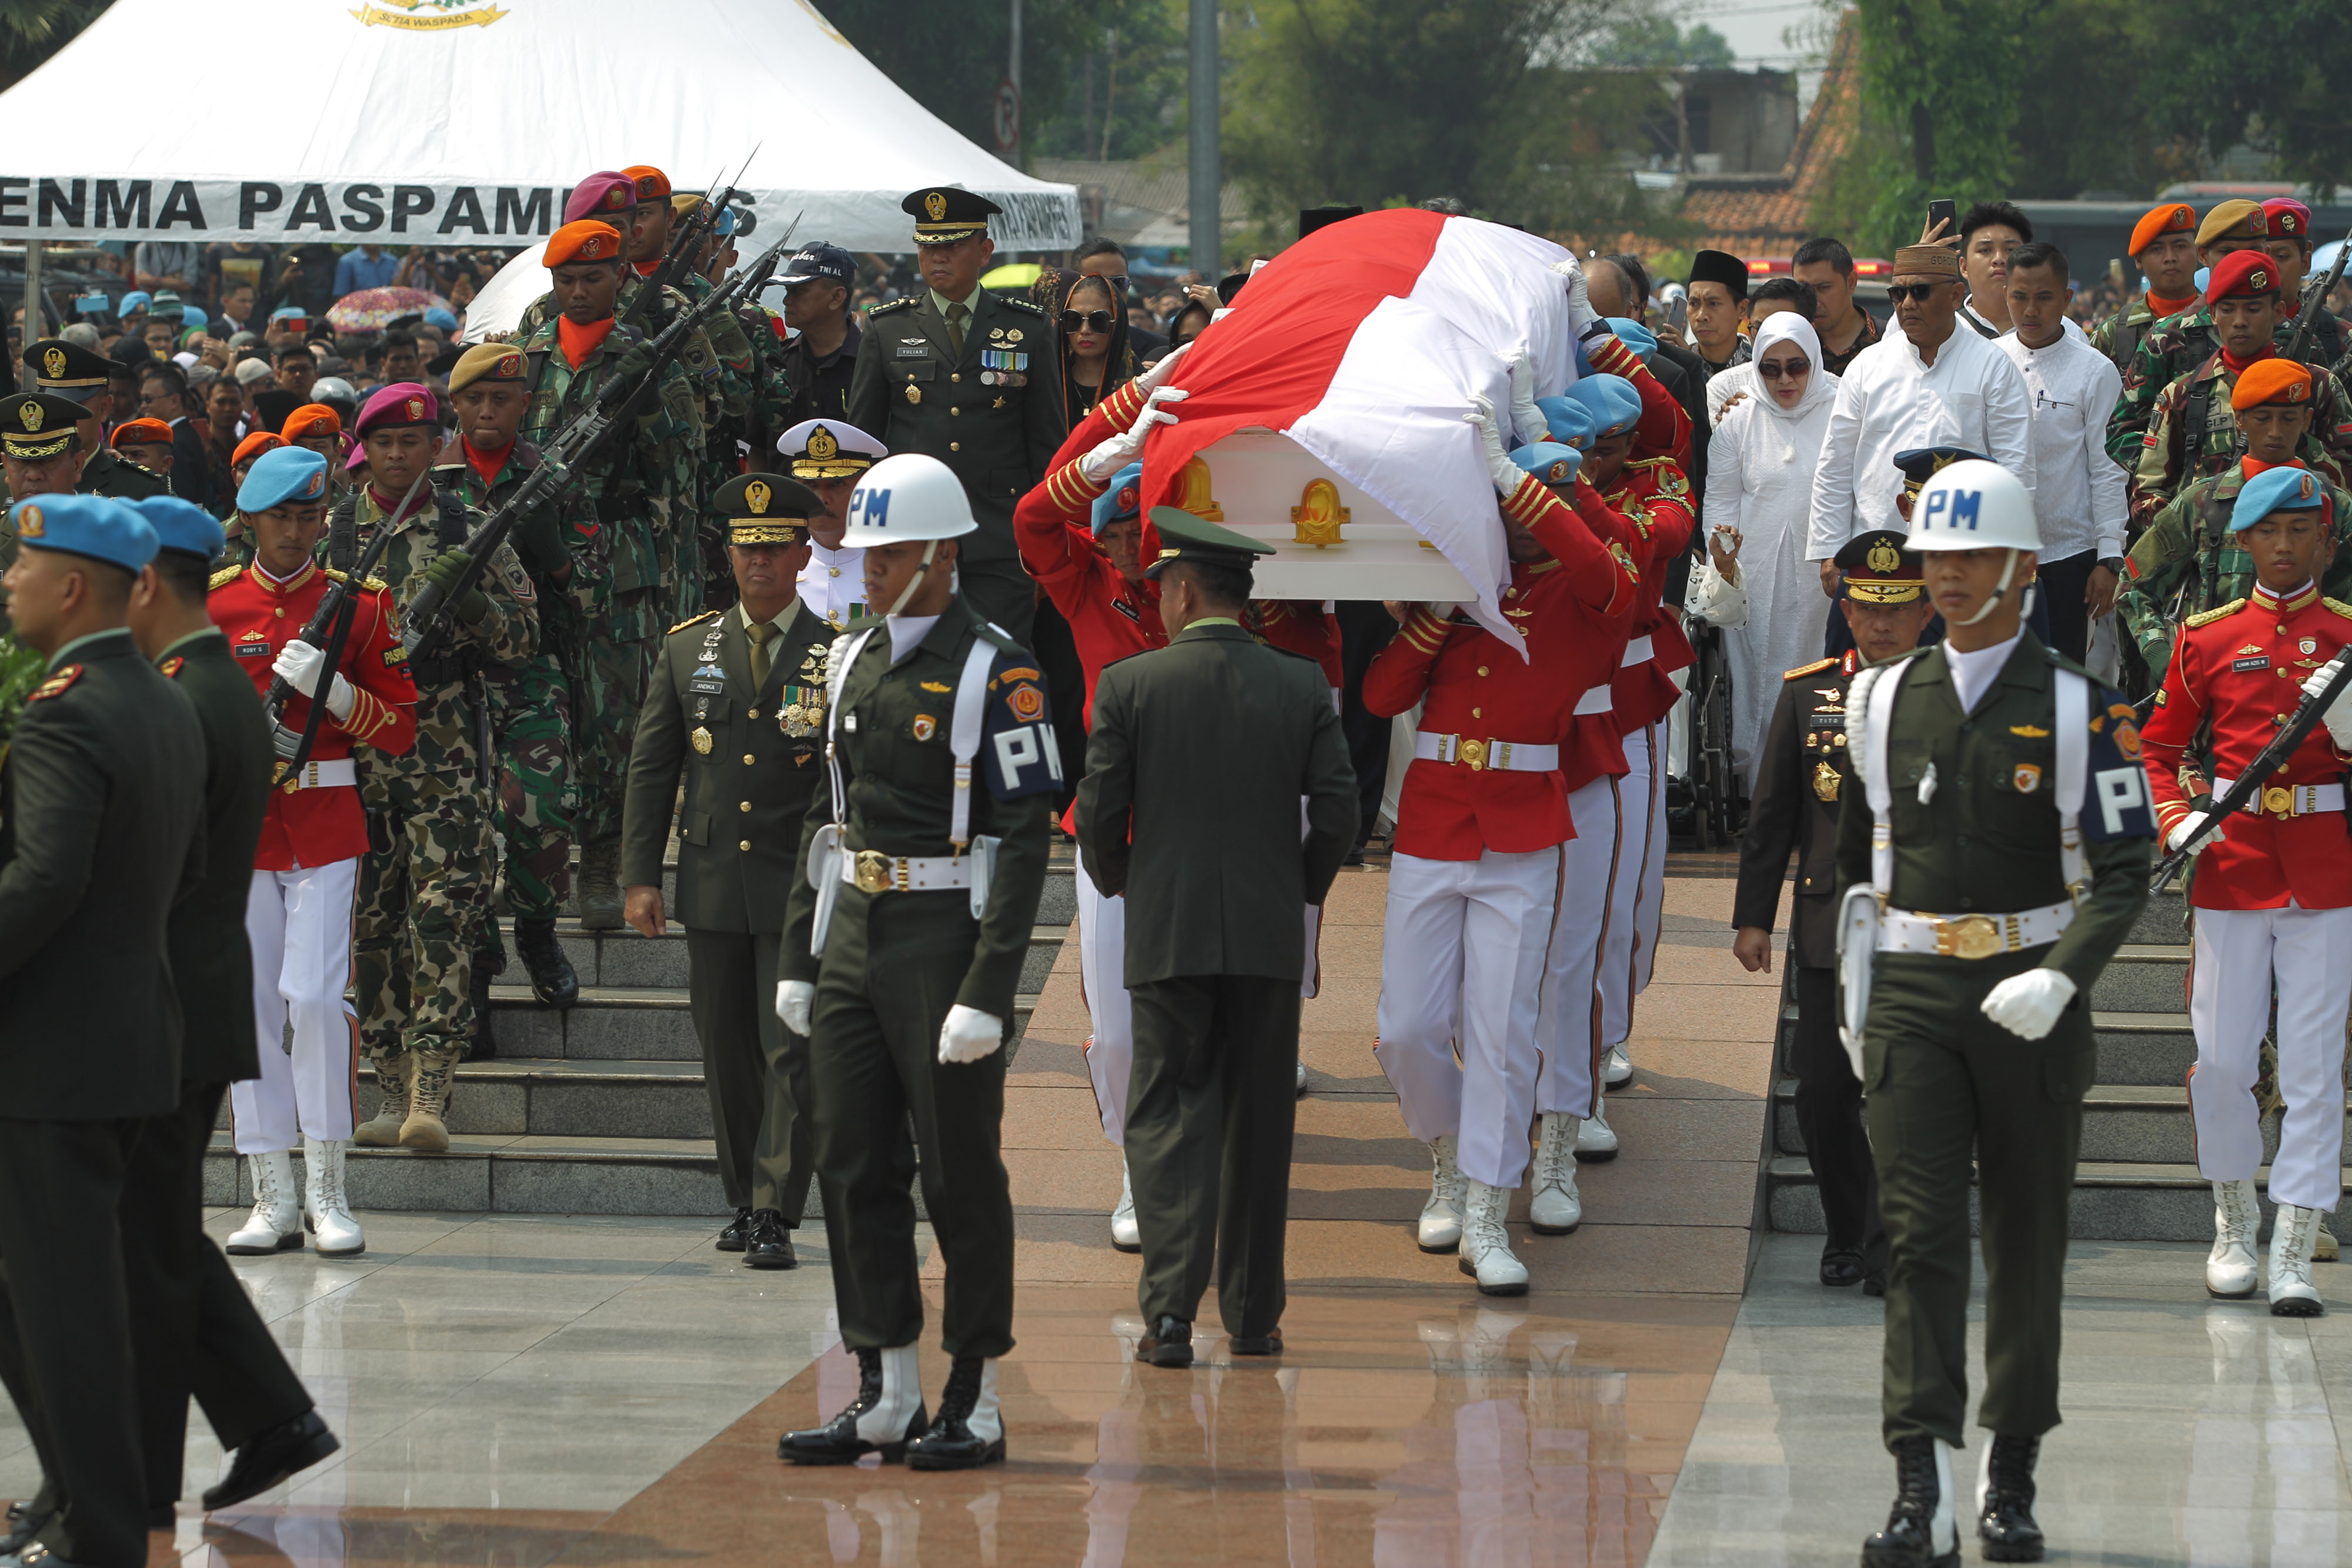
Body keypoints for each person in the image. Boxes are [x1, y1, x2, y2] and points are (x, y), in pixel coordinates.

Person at [1838, 459, 2153, 1566]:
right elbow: (1852, 870)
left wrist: (2064, 974)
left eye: (1971, 556)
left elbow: (2125, 870)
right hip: (1916, 998)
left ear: (2024, 568)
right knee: (1921, 1237)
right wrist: (1852, 999)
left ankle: (2010, 1472)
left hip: (2032, 995)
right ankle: (1916, 1482)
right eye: (1935, 555)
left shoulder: (2079, 704)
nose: (1948, 575)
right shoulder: (1879, 698)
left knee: (2026, 1239)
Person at [774, 452, 1057, 1472]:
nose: (869, 575)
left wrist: (991, 987)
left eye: (887, 559)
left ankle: (974, 1391)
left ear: (942, 557)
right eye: (864, 558)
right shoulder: (852, 660)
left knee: (959, 1171)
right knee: (851, 1161)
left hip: (943, 940)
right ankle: (884, 1383)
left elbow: (1025, 839)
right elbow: (831, 814)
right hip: (856, 933)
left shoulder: (999, 669)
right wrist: (804, 953)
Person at [1365, 408, 1636, 1295]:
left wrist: (1517, 475)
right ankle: (1446, 1153)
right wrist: (1435, 614)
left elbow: (1601, 566)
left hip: (1525, 825)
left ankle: (1487, 1202)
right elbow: (1381, 695)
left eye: (1533, 506)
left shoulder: (1585, 598)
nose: (1520, 520)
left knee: (1502, 1027)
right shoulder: (1460, 587)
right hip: (1437, 818)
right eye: (1506, 503)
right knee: (1405, 1026)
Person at [1078, 503, 1355, 1357]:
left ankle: (1169, 1315)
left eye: (1162, 586)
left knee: (1166, 1118)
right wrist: (1296, 891)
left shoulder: (1132, 685)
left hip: (1168, 931)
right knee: (1260, 1121)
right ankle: (1253, 1315)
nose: (1156, 599)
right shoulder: (1301, 681)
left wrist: (1132, 885)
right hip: (1266, 934)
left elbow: (1099, 818)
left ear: (1186, 588)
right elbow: (1341, 812)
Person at [122, 493, 340, 1521]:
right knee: (152, 1229)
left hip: (170, 996)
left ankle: (138, 1481)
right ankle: (270, 1415)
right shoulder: (205, 681)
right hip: (184, 992)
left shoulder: (188, 695)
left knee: (146, 1237)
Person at [0, 492, 202, 1568]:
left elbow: (44, 883)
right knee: (37, 1307)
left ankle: (105, 1538)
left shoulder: (68, 709)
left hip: (53, 1063)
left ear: (71, 586)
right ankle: (87, 1511)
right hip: (126, 1039)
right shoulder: (163, 699)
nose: (9, 582)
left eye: (23, 567)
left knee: (67, 1319)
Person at [2141, 466, 2351, 1316]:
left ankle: (2296, 1243)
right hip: (2232, 864)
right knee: (2222, 1060)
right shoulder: (2209, 636)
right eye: (2271, 531)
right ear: (2244, 542)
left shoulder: (2346, 633)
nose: (2286, 544)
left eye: (2303, 530)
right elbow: (2156, 746)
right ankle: (2233, 1220)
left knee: (2313, 1066)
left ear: (2326, 543)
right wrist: (2175, 817)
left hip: (2324, 864)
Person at [623, 473, 834, 1268]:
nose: (757, 562)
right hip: (711, 878)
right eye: (745, 547)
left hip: (797, 881)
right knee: (725, 1048)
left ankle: (778, 1205)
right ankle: (744, 1196)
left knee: (792, 1044)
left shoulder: (836, 650)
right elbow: (652, 770)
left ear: (802, 552)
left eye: (773, 548)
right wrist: (641, 873)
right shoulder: (689, 646)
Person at [212, 446, 416, 1255]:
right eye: (278, 518)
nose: (294, 532)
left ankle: (329, 1186)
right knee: (252, 1004)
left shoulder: (361, 607)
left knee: (315, 996)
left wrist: (337, 692)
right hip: (241, 829)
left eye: (307, 516)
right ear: (251, 521)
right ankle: (273, 1193)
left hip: (327, 817)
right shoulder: (214, 603)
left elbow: (399, 726)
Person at [1733, 529, 1932, 1299]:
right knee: (1821, 1092)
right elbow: (1773, 815)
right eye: (1868, 607)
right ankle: (1849, 1226)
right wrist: (1754, 916)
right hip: (1828, 929)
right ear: (1846, 609)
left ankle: (1892, 1246)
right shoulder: (1806, 693)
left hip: (1923, 927)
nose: (1881, 623)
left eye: (1899, 607)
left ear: (1924, 613)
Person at [340, 385, 538, 1155]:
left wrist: (469, 606)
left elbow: (524, 637)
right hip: (354, 758)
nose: (398, 455)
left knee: (442, 917)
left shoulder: (471, 529)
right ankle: (388, 1088)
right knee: (373, 924)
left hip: (444, 758)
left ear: (435, 445)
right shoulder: (331, 533)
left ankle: (431, 1092)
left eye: (413, 441)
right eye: (383, 441)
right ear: (365, 446)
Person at [515, 218, 699, 931]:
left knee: (616, 723)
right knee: (539, 713)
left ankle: (604, 862)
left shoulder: (652, 357)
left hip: (620, 562)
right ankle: (537, 859)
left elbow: (677, 471)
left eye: (595, 276)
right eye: (568, 279)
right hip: (534, 557)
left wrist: (646, 393)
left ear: (622, 276)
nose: (581, 290)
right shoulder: (524, 360)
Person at [845, 186, 1065, 648]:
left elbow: (1047, 445)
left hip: (999, 539)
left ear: (984, 250)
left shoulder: (1028, 328)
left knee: (998, 665)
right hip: (911, 535)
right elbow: (865, 444)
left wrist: (1046, 541)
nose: (937, 258)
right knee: (913, 664)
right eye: (928, 246)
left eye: (952, 246)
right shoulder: (887, 328)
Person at [435, 342, 579, 1013]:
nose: (488, 412)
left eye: (503, 399)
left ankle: (539, 932)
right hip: (447, 677)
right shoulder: (427, 478)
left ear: (526, 404)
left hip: (526, 671)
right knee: (463, 824)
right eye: (475, 400)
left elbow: (587, 581)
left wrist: (552, 547)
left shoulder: (547, 473)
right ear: (456, 405)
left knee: (539, 811)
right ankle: (480, 958)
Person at [1806, 243, 2035, 577]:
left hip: (1963, 559)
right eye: (1899, 294)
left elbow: (2016, 469)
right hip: (1875, 555)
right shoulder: (1868, 366)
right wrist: (1830, 551)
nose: (1908, 304)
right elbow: (1835, 465)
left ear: (1957, 295)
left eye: (1921, 292)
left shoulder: (1993, 366)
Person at [2117, 360, 2352, 678]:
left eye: (2288, 418)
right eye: (2262, 418)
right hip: (2219, 679)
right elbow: (2134, 586)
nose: (2275, 431)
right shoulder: (2201, 504)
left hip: (2313, 680)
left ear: (2307, 420)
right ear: (2239, 420)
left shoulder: (2337, 506)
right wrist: (2166, 658)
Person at [1697, 312, 1843, 788]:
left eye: (1797, 367)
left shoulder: (1842, 407)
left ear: (1815, 361)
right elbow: (1720, 500)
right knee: (1758, 674)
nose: (1784, 379)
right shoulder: (1739, 420)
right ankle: (1760, 788)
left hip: (1823, 569)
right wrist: (1723, 554)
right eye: (1770, 368)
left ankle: (1819, 785)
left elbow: (1857, 488)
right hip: (1754, 570)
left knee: (1817, 665)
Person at [1996, 242, 2129, 662]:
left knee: (2064, 675)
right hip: (1999, 551)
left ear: (2067, 298)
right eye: (2020, 297)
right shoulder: (1990, 362)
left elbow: (2107, 469)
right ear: (2006, 296)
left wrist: (2108, 557)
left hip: (2069, 555)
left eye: (2044, 297)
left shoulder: (2094, 370)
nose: (2030, 310)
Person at [20, 336, 169, 500]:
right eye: (53, 406)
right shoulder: (14, 480)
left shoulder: (140, 488)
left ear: (104, 408)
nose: (61, 417)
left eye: (75, 407)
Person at [779, 417, 884, 629]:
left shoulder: (891, 568)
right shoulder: (779, 567)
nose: (822, 498)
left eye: (837, 483)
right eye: (810, 484)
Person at [2090, 203, 2201, 378]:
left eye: (2180, 246)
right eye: (2157, 249)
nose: (2170, 258)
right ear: (2139, 260)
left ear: (2198, 253)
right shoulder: (2113, 333)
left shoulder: (2221, 321)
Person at [774, 243, 863, 421]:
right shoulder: (778, 361)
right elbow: (758, 446)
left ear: (836, 297)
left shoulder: (873, 363)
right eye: (787, 290)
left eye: (799, 291)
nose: (786, 300)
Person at [1795, 236, 1884, 376]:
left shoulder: (1888, 340)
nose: (1814, 301)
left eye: (1824, 288)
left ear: (1851, 283)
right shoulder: (1794, 347)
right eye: (1804, 290)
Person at [1955, 200, 2032, 337]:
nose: (1999, 259)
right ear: (1964, 267)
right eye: (1985, 250)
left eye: (2010, 249)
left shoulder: (2062, 331)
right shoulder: (1944, 331)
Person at [1683, 248, 1752, 379]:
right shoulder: (1678, 368)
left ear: (1742, 309)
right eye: (1694, 304)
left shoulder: (1762, 369)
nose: (1701, 316)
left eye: (1713, 304)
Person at [334, 242, 400, 296]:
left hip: (389, 309)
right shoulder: (347, 261)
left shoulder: (392, 261)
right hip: (357, 310)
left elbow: (398, 290)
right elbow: (341, 295)